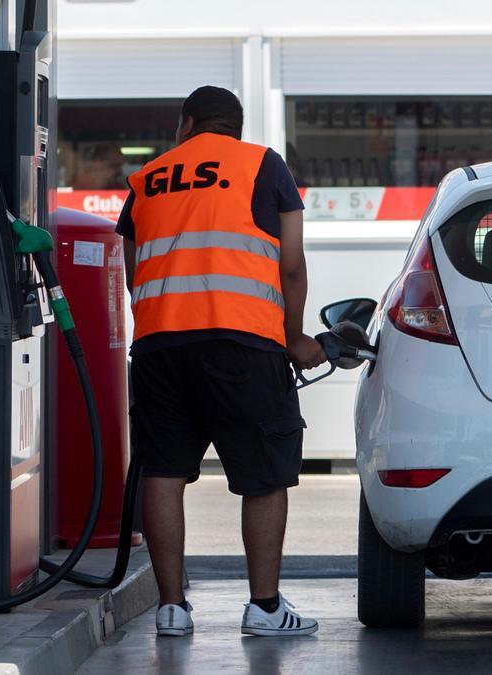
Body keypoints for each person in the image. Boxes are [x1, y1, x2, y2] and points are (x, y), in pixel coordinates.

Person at [115, 86, 326, 637]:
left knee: (163, 471)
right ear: (235, 125)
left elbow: (134, 267)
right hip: (244, 343)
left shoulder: (148, 178)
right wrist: (294, 336)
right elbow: (292, 263)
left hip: (161, 346)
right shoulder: (262, 164)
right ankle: (264, 608)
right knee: (263, 475)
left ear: (186, 124)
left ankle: (170, 610)